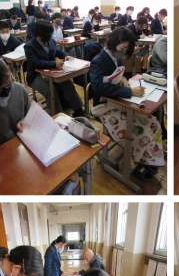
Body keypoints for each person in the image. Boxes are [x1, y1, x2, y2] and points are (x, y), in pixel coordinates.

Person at [89, 27, 165, 178]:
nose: (124, 51)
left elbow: (117, 76)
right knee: (141, 128)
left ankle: (150, 155)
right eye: (123, 48)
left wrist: (124, 80)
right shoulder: (98, 60)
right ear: (114, 41)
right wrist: (129, 92)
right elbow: (98, 87)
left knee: (152, 122)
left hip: (118, 101)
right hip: (104, 105)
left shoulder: (116, 56)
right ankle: (143, 160)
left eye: (126, 49)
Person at [24, 19, 84, 115]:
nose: (51, 35)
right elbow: (35, 63)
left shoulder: (50, 41)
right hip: (36, 76)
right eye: (48, 33)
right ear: (40, 34)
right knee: (50, 90)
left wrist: (65, 56)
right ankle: (58, 114)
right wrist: (54, 64)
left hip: (52, 72)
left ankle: (78, 109)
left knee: (67, 83)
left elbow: (56, 51)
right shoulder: (29, 46)